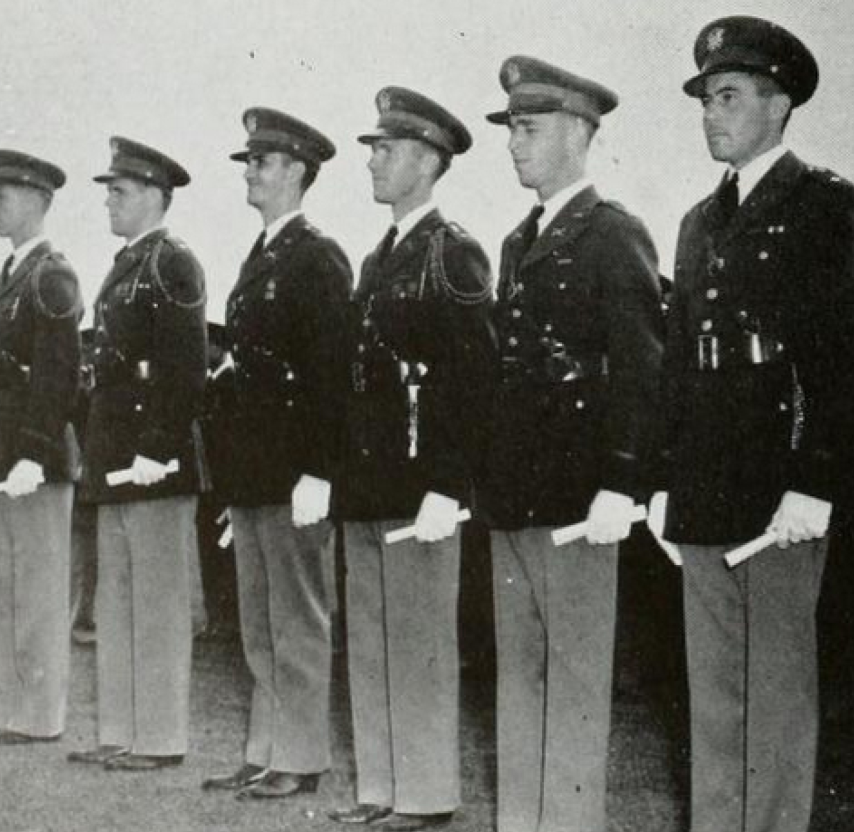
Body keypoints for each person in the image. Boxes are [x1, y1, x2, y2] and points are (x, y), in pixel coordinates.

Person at [654, 17, 854, 832]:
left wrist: (816, 482)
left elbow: (852, 355)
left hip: (780, 482)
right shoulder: (696, 222)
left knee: (777, 695)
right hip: (707, 480)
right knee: (714, 693)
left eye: (729, 96)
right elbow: (679, 363)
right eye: (706, 100)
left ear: (780, 104)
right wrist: (661, 481)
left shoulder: (824, 204)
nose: (711, 114)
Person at [478, 56, 664, 832]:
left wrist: (622, 481)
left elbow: (643, 367)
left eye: (531, 127)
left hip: (580, 495)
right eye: (512, 129)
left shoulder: (612, 233)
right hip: (517, 488)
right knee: (519, 676)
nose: (514, 145)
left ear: (582, 133)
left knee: (576, 681)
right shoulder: (519, 240)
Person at [329, 87, 495, 832]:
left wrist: (449, 486)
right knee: (369, 639)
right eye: (372, 148)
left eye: (385, 149)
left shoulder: (450, 252)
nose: (371, 160)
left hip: (418, 481)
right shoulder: (381, 256)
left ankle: (423, 794)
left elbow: (469, 377)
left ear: (427, 162)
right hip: (370, 480)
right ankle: (380, 788)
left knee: (420, 642)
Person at [200, 108, 351, 799]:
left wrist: (319, 470)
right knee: (260, 624)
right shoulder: (262, 255)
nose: (251, 173)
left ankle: (300, 755)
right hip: (256, 474)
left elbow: (329, 375)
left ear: (295, 170)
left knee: (297, 621)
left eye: (262, 162)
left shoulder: (315, 257)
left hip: (293, 474)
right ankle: (266, 749)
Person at [67, 137, 208, 771]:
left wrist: (157, 447)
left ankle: (157, 739)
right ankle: (120, 735)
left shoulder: (172, 262)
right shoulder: (129, 263)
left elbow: (182, 367)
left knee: (155, 609)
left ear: (155, 195)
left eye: (119, 192)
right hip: (116, 460)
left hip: (153, 466)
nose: (108, 201)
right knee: (116, 606)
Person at [0, 149, 83, 745]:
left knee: (37, 590)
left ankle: (39, 715)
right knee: (5, 586)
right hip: (2, 455)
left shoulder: (51, 275)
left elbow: (57, 372)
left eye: (4, 195)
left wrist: (34, 453)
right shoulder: (7, 279)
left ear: (38, 201)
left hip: (32, 462)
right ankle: (11, 709)